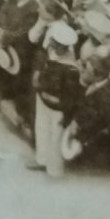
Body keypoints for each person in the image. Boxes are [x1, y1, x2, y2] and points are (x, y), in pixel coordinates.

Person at [31, 21, 82, 176]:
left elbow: (69, 96)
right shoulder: (50, 50)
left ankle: (54, 171)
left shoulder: (71, 68)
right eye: (54, 43)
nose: (55, 47)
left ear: (66, 47)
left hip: (58, 107)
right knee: (41, 129)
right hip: (43, 99)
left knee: (56, 139)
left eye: (59, 46)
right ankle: (41, 160)